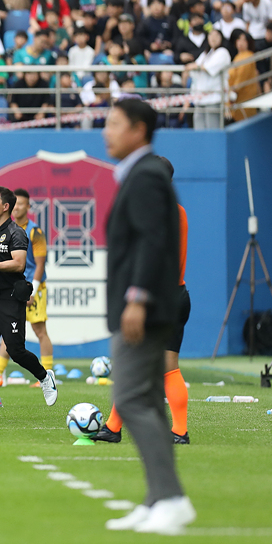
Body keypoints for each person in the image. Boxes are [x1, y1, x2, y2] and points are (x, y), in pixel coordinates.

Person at [102, 98, 194, 535]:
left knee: (132, 399)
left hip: (143, 306)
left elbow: (152, 243)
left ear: (139, 130)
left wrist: (137, 299)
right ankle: (160, 498)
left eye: (114, 123)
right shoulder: (141, 174)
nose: (106, 131)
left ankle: (171, 499)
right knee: (147, 402)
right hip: (149, 302)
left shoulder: (146, 176)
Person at [96, 156, 191, 443]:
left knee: (132, 364)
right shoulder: (178, 210)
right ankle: (178, 431)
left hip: (154, 298)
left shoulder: (156, 211)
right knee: (167, 366)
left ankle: (114, 427)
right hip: (177, 294)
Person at [0, 187, 58, 409]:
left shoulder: (16, 232)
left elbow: (19, 264)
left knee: (16, 350)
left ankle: (44, 376)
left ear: (5, 207)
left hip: (10, 298)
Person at [0, 188, 54, 380]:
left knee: (40, 330)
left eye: (21, 204)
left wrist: (33, 291)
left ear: (28, 207)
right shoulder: (7, 229)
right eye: (15, 204)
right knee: (8, 330)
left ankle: (48, 374)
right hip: (14, 287)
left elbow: (40, 264)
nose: (17, 208)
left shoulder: (35, 232)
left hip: (33, 288)